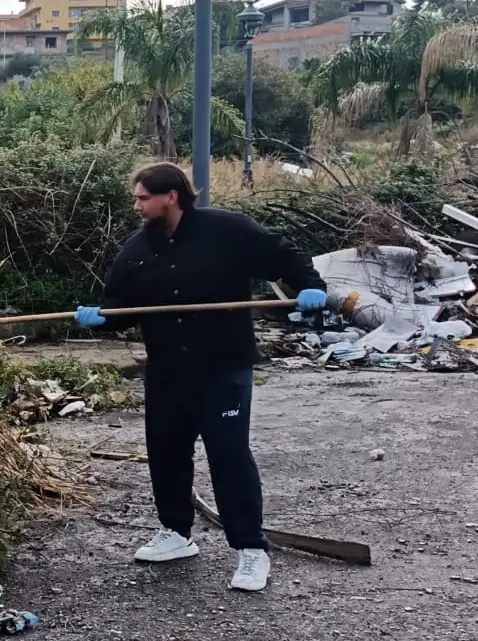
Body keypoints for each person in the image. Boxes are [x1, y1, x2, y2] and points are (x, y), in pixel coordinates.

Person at [73, 162, 327, 593]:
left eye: (142, 197)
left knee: (228, 455)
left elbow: (282, 256)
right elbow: (119, 306)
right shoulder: (136, 251)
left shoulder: (227, 230)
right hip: (168, 370)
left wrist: (309, 284)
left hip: (223, 366)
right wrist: (100, 318)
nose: (137, 205)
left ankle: (251, 549)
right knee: (166, 453)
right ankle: (176, 533)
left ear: (170, 196)